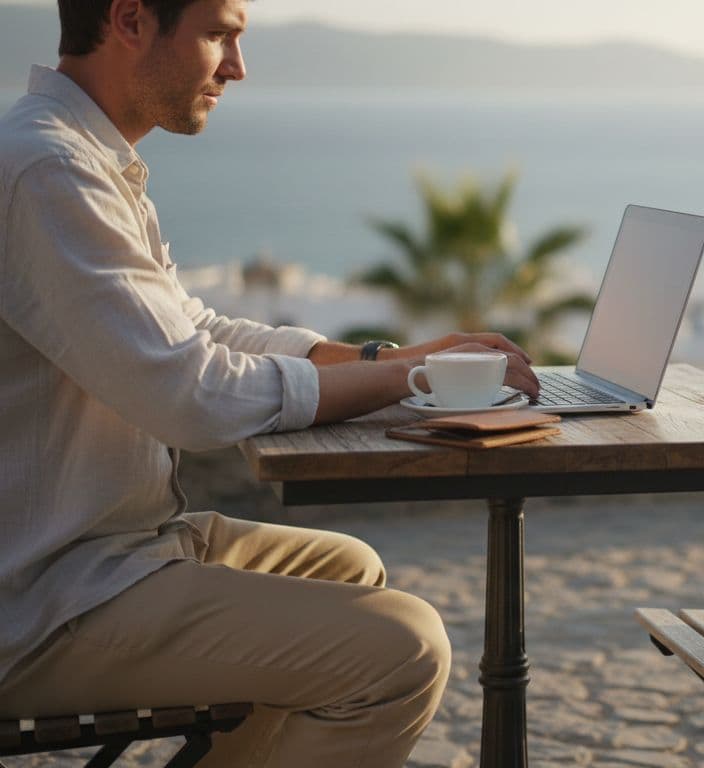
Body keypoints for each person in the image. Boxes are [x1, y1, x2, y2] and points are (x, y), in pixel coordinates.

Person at [0, 0, 542, 764]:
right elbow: (190, 393)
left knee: (348, 568)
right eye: (220, 34)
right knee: (403, 649)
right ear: (129, 21)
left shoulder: (88, 158)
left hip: (113, 555)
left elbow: (197, 329)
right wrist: (414, 375)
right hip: (44, 601)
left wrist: (385, 358)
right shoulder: (49, 168)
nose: (237, 67)